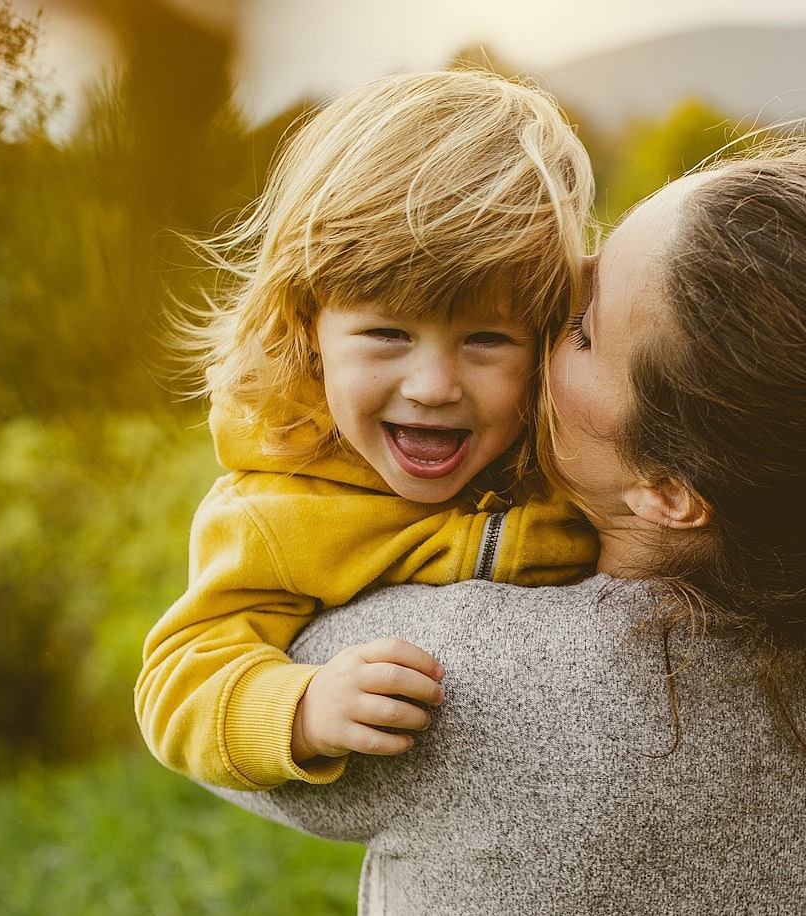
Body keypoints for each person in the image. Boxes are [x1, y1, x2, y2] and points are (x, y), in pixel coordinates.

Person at [210, 116, 806, 914]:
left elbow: (216, 725)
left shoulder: (439, 677)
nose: (547, 305)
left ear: (670, 488)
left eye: (579, 329)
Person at [135, 70, 600, 793]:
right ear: (308, 329)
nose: (434, 387)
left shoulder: (572, 448)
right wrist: (301, 709)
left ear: (545, 340)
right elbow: (178, 678)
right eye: (387, 334)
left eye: (486, 341)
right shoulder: (277, 510)